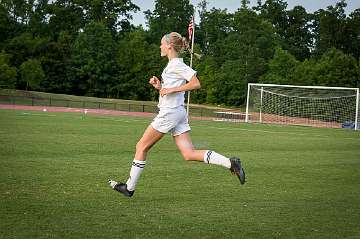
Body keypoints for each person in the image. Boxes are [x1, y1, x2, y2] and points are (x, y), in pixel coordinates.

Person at [109, 32, 245, 197]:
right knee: (189, 154)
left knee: (141, 146)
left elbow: (195, 84)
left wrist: (171, 89)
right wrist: (160, 87)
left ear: (169, 46)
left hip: (170, 113)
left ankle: (129, 188)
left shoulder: (176, 64)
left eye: (161, 44)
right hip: (178, 112)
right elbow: (171, 91)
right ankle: (230, 163)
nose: (159, 47)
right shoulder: (172, 65)